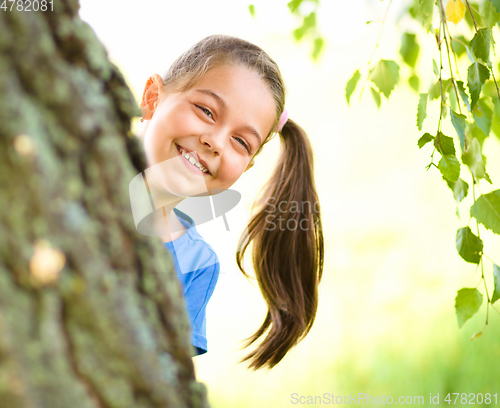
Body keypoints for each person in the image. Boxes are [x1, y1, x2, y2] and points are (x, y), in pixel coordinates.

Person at [137, 34, 324, 370]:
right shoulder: (64, 172)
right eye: (206, 111)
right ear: (153, 97)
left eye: (241, 141)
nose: (215, 142)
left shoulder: (197, 264)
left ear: (247, 166)